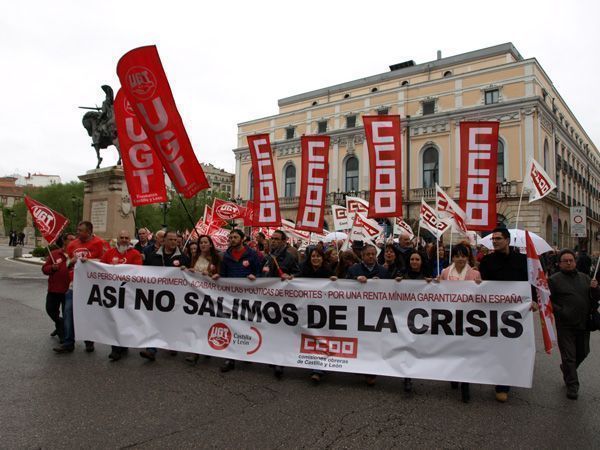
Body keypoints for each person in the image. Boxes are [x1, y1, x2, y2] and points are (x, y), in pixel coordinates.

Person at [478, 227, 528, 403]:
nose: (495, 242)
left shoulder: (522, 260)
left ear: (507, 240)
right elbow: (482, 285)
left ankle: (503, 383)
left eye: (498, 238)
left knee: (510, 347)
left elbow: (530, 283)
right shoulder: (486, 261)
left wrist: (533, 301)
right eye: (493, 239)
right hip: (492, 311)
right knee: (495, 347)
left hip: (515, 311)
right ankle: (498, 379)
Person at [548, 249, 600, 400]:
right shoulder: (554, 280)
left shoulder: (585, 278)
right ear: (560, 263)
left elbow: (594, 298)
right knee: (569, 356)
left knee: (583, 352)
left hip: (583, 323)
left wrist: (595, 288)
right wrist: (561, 311)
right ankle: (572, 385)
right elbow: (548, 301)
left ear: (575, 262)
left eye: (571, 260)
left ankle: (566, 369)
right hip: (565, 324)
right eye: (566, 261)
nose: (569, 263)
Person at [54, 221, 106, 354]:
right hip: (75, 284)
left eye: (80, 230)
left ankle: (89, 340)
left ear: (88, 231)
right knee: (68, 311)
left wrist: (89, 261)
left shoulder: (99, 243)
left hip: (92, 285)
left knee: (88, 313)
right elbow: (67, 263)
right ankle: (68, 342)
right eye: (77, 229)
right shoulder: (72, 244)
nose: (77, 232)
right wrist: (70, 262)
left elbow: (104, 261)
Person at [438, 243, 482, 403]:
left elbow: (480, 294)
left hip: (467, 317)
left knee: (465, 351)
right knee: (452, 349)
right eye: (457, 256)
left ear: (467, 257)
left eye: (463, 256)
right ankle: (454, 376)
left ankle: (465, 384)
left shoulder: (474, 273)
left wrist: (480, 286)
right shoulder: (444, 272)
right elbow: (438, 291)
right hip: (449, 316)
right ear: (453, 257)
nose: (460, 259)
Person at [213, 229, 261, 372]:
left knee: (247, 324)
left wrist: (255, 276)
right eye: (230, 237)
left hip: (248, 296)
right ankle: (230, 358)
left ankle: (246, 351)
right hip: (231, 296)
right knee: (232, 325)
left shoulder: (252, 255)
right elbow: (224, 274)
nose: (232, 239)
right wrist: (218, 277)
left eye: (235, 237)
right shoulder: (226, 256)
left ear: (243, 238)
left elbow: (259, 272)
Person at [140, 230, 190, 361]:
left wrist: (187, 271)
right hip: (156, 295)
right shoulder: (152, 256)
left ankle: (172, 343)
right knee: (154, 321)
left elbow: (191, 277)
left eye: (175, 240)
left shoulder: (183, 258)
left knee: (171, 321)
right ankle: (151, 349)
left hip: (175, 297)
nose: (174, 242)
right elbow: (144, 273)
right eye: (171, 240)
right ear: (164, 241)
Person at [346, 244, 391, 386]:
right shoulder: (354, 270)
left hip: (376, 312)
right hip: (357, 311)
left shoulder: (383, 271)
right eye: (368, 254)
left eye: (373, 254)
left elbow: (392, 289)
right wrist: (355, 279)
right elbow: (343, 286)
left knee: (373, 342)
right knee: (359, 340)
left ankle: (371, 372)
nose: (371, 257)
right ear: (362, 256)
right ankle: (359, 366)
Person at [294, 246, 336, 383]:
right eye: (313, 256)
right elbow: (295, 283)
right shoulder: (303, 270)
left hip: (323, 311)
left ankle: (318, 369)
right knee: (310, 337)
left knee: (322, 337)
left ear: (322, 258)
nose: (315, 258)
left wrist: (336, 281)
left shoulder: (328, 271)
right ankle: (313, 365)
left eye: (318, 256)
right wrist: (290, 279)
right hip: (306, 310)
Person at [261, 230, 299, 378]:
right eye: (272, 239)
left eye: (277, 239)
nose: (274, 241)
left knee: (281, 330)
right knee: (270, 328)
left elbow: (298, 273)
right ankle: (271, 356)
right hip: (268, 298)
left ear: (284, 241)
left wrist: (291, 276)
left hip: (282, 300)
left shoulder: (289, 257)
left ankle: (280, 362)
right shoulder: (268, 256)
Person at [100, 230, 143, 361]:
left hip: (128, 293)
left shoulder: (135, 254)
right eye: (121, 237)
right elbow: (100, 268)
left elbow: (138, 271)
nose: (124, 239)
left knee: (125, 321)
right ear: (117, 239)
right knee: (114, 319)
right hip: (112, 293)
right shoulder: (109, 253)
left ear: (130, 240)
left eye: (126, 237)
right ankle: (115, 349)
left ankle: (123, 344)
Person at [41, 233, 75, 344]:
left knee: (67, 314)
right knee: (50, 310)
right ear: (64, 241)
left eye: (75, 239)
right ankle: (59, 323)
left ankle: (63, 334)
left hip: (69, 290)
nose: (73, 241)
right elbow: (44, 269)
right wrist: (52, 267)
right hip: (54, 289)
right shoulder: (55, 254)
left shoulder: (75, 255)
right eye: (71, 239)